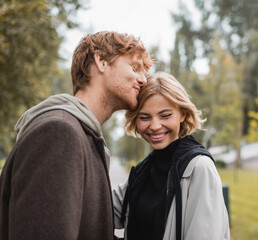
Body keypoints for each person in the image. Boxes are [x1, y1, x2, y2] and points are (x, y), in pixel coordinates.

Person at [0, 31, 152, 240]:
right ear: (101, 61)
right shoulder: (58, 133)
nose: (143, 80)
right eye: (135, 67)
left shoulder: (82, 135)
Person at [113, 72, 230, 240]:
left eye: (165, 115)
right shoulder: (143, 171)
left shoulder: (199, 168)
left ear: (182, 114)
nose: (154, 126)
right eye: (145, 117)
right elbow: (101, 209)